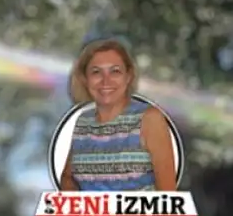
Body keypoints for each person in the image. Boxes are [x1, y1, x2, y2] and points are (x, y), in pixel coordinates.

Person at [60, 38, 178, 192]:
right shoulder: (83, 121)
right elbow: (68, 177)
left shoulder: (150, 119)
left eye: (115, 71)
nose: (105, 81)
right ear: (84, 79)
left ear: (128, 77)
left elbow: (168, 197)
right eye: (96, 72)